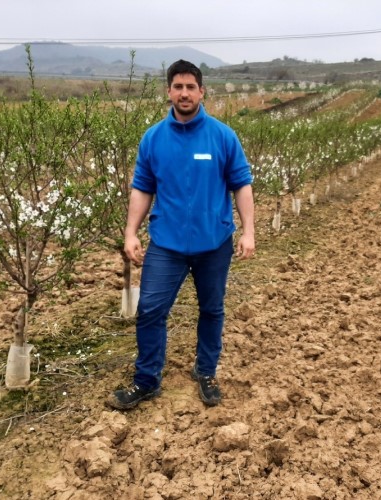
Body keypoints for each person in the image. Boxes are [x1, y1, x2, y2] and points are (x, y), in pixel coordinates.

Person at [107, 59, 255, 410]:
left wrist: (248, 231)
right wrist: (130, 232)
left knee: (211, 309)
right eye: (178, 86)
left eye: (191, 87)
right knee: (151, 310)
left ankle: (206, 372)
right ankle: (146, 381)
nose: (184, 93)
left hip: (214, 243)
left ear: (202, 91)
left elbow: (242, 185)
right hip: (167, 244)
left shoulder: (222, 136)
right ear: (169, 91)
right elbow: (142, 188)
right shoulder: (153, 138)